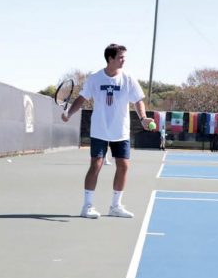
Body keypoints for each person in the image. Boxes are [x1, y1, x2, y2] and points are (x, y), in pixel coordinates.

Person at [62, 44, 154, 218]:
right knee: (96, 165)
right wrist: (69, 113)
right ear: (110, 58)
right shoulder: (95, 78)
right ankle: (87, 206)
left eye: (124, 57)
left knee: (123, 166)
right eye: (120, 57)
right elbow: (81, 99)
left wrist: (143, 118)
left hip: (121, 132)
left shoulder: (128, 78)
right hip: (100, 130)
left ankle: (115, 206)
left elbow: (138, 100)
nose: (123, 60)